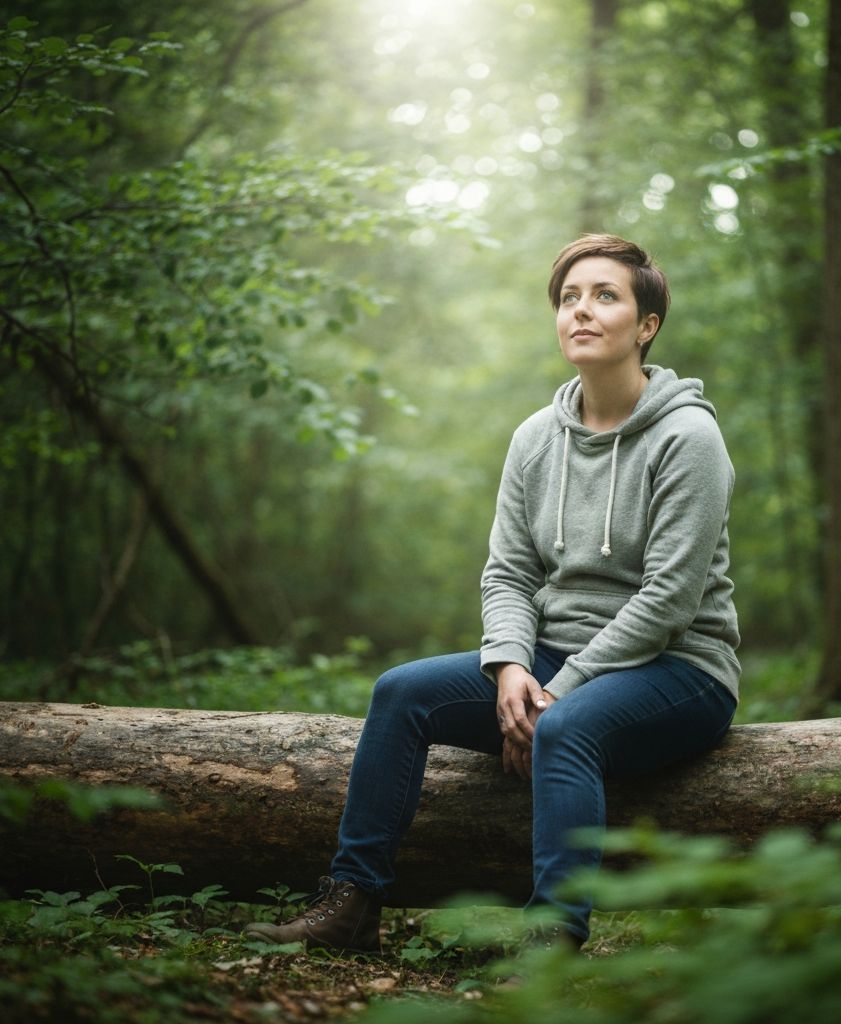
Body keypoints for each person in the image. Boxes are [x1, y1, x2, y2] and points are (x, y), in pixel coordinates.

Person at [245, 234, 741, 954]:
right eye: (569, 297)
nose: (582, 310)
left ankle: (551, 941)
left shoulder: (689, 438)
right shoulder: (537, 438)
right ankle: (351, 904)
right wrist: (510, 665)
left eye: (606, 296)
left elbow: (668, 600)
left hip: (681, 670)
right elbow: (508, 572)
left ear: (646, 325)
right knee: (400, 692)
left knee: (569, 729)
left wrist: (554, 693)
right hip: (554, 656)